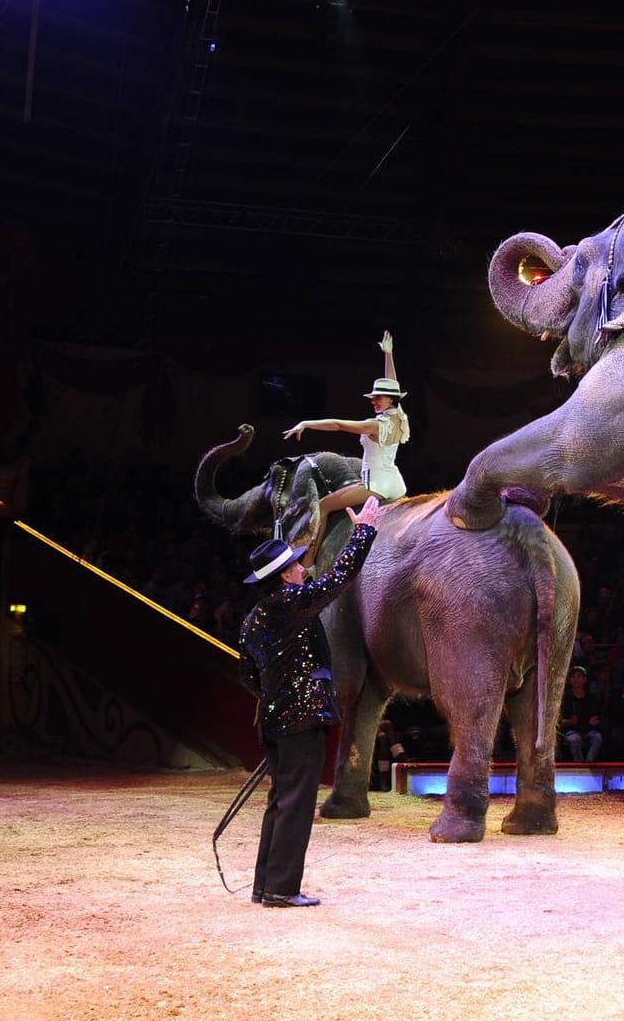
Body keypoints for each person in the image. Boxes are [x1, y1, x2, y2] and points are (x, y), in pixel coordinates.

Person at [237, 495, 382, 908]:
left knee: (279, 802)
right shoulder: (289, 604)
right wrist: (364, 531)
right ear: (284, 577)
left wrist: (275, 697)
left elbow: (248, 675)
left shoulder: (255, 618)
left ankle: (266, 885)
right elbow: (338, 579)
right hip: (300, 719)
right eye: (297, 565)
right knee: (297, 805)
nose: (303, 568)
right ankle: (282, 888)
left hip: (275, 719)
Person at [283, 331, 412, 529]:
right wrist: (388, 354)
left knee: (323, 506)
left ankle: (308, 561)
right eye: (372, 398)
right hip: (397, 484)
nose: (373, 401)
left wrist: (306, 423)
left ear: (390, 399)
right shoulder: (399, 416)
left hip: (376, 486)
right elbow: (392, 383)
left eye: (378, 397)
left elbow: (338, 425)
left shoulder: (375, 425)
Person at [559, 666, 604, 763]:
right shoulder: (565, 698)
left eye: (579, 677)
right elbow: (560, 720)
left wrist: (595, 722)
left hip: (589, 730)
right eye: (573, 677)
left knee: (597, 738)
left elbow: (597, 717)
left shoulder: (591, 697)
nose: (576, 679)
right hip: (572, 730)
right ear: (570, 680)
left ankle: (588, 764)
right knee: (575, 739)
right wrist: (569, 722)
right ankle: (579, 765)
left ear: (584, 679)